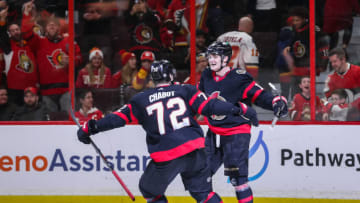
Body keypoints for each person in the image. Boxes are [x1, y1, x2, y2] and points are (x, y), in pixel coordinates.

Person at [77, 59, 259, 203]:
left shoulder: (140, 99)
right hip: (196, 151)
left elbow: (116, 119)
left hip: (167, 155)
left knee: (148, 189)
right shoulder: (185, 90)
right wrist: (239, 109)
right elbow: (210, 106)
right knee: (203, 193)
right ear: (171, 75)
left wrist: (89, 128)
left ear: (153, 78)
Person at [198, 41, 288, 203]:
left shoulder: (238, 77)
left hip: (236, 133)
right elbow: (197, 98)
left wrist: (275, 101)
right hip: (213, 132)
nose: (211, 60)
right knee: (201, 175)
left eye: (215, 56)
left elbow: (258, 94)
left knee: (238, 180)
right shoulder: (206, 75)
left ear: (225, 58)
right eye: (210, 56)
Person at [21, 1, 82, 113]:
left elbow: (79, 59)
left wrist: (71, 61)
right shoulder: (39, 42)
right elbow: (26, 33)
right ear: (45, 29)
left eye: (54, 25)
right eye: (49, 25)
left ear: (59, 28)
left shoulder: (68, 41)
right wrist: (26, 14)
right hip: (47, 91)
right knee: (49, 122)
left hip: (66, 90)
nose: (52, 26)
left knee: (68, 121)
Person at [282, 7, 329, 97]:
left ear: (304, 19)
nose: (295, 22)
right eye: (294, 20)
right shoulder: (294, 30)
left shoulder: (314, 29)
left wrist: (324, 63)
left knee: (307, 95)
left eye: (297, 20)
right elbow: (293, 45)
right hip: (296, 68)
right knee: (295, 96)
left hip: (308, 68)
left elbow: (325, 47)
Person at [0, 6, 38, 106]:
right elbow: (2, 34)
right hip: (14, 90)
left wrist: (27, 13)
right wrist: (2, 20)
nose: (15, 32)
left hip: (31, 88)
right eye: (12, 31)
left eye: (17, 29)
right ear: (9, 33)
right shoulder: (8, 47)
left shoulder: (29, 45)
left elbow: (29, 31)